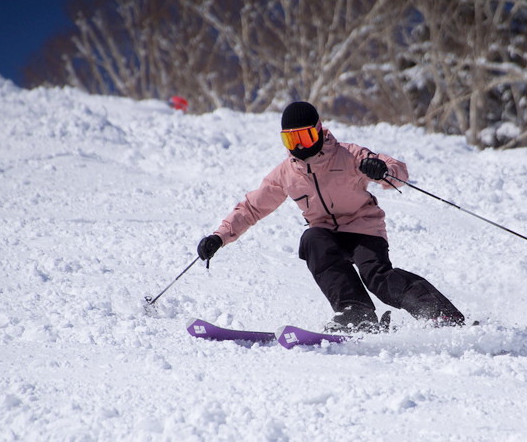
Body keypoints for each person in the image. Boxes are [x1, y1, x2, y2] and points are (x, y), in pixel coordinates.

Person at [197, 101, 465, 332]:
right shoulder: (287, 173)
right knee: (312, 239)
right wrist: (219, 237)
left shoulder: (348, 155)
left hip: (364, 228)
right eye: (291, 140)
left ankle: (441, 314)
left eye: (303, 137)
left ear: (317, 131)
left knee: (378, 277)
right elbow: (251, 208)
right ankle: (356, 313)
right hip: (326, 234)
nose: (298, 146)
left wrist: (381, 169)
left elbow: (397, 173)